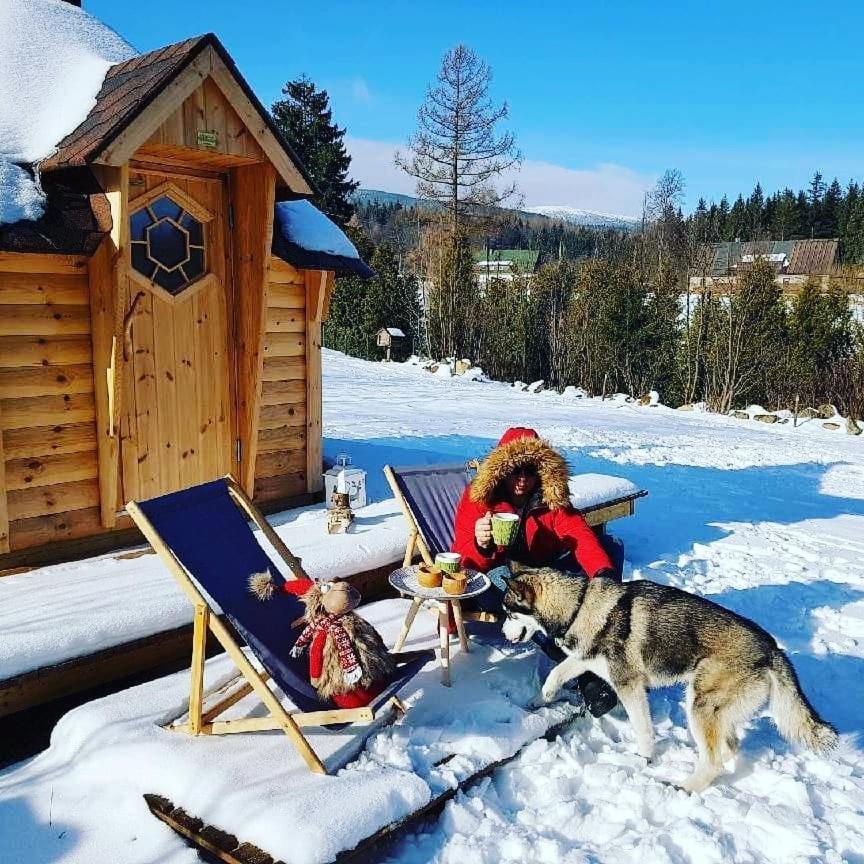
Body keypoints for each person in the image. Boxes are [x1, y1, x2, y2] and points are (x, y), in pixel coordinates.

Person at [451, 427, 622, 717]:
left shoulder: (549, 497)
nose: (522, 480)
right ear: (501, 469)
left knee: (609, 548)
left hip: (544, 570)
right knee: (527, 600)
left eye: (530, 472)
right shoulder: (480, 498)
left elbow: (578, 533)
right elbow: (462, 560)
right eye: (515, 471)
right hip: (496, 576)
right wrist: (480, 544)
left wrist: (603, 573)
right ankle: (587, 678)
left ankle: (610, 635)